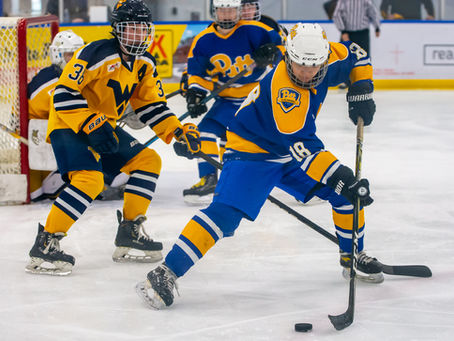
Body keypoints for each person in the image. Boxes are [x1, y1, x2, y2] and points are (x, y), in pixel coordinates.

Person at [136, 22, 383, 309]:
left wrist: (362, 88)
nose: (305, 73)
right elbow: (306, 150)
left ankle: (352, 256)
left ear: (324, 58)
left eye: (313, 66)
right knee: (225, 215)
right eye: (299, 64)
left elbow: (358, 54)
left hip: (286, 149)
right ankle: (164, 272)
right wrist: (342, 177)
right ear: (288, 56)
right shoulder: (285, 91)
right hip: (251, 150)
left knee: (343, 197)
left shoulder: (329, 56)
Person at [25, 0, 201, 276]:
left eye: (141, 29)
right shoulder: (95, 53)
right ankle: (46, 243)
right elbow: (62, 95)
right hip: (69, 123)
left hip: (102, 126)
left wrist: (176, 131)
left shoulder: (145, 63)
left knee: (148, 161)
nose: (136, 36)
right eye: (129, 29)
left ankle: (130, 230)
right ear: (117, 30)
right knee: (90, 180)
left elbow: (150, 105)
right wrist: (91, 123)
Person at [179, 0, 283, 204]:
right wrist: (195, 94)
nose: (226, 15)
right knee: (205, 132)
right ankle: (209, 180)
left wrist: (273, 53)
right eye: (222, 10)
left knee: (277, 143)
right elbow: (197, 72)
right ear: (214, 12)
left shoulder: (255, 29)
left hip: (256, 97)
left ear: (237, 11)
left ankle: (308, 184)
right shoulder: (204, 39)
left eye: (231, 10)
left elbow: (282, 50)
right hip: (227, 99)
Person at [28, 30, 84, 202]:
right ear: (58, 55)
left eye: (77, 54)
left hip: (47, 138)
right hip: (38, 141)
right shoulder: (50, 82)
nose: (75, 59)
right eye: (69, 55)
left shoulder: (66, 74)